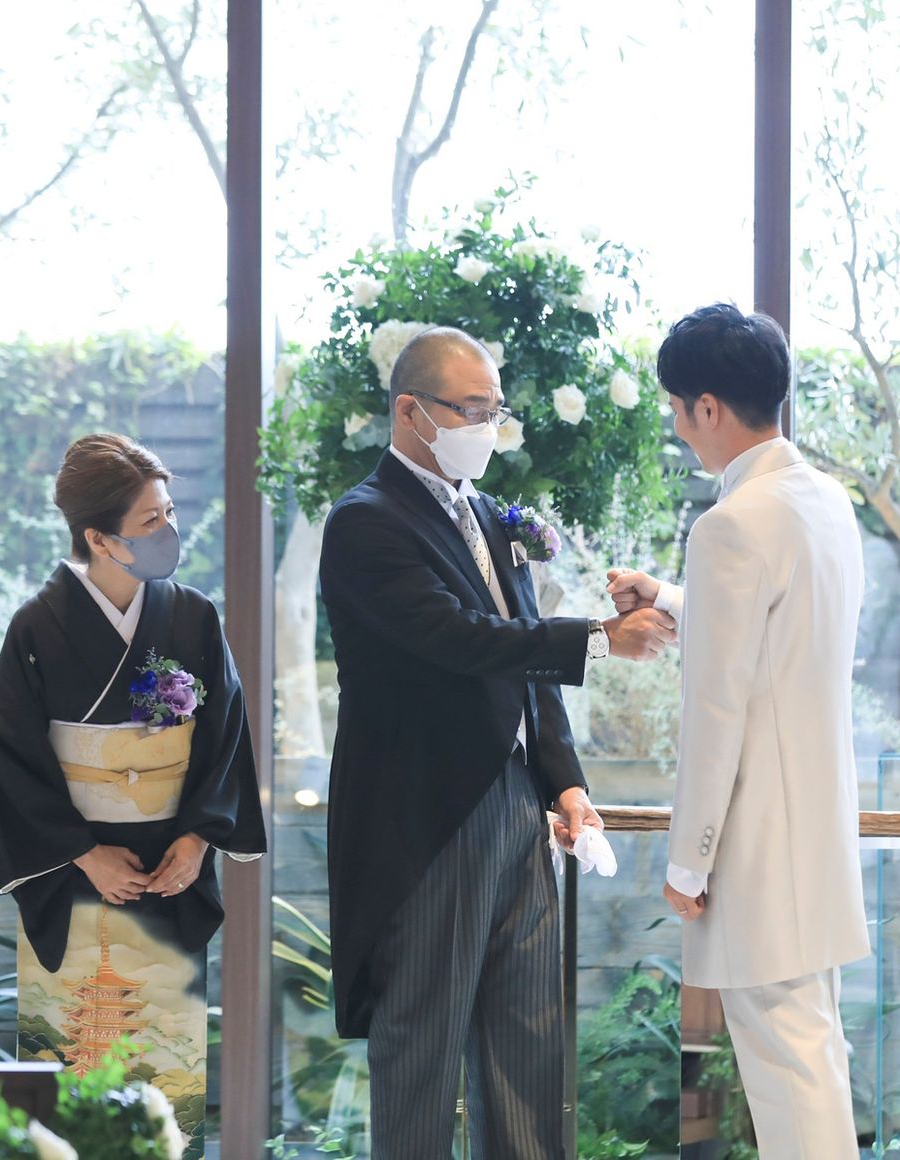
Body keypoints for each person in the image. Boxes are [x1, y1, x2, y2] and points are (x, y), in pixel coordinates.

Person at [320, 326, 676, 1159]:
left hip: (518, 804)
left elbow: (524, 664)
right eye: (470, 410)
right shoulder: (365, 521)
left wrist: (564, 782)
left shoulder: (488, 515)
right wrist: (599, 637)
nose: (488, 427)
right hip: (429, 817)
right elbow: (457, 637)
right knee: (422, 1052)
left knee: (528, 1045)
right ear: (410, 412)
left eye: (494, 410)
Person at [609, 304, 870, 1158]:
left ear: (709, 406)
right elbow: (780, 638)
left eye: (678, 409)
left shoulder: (730, 525)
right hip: (817, 835)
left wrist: (688, 860)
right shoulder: (823, 501)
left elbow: (716, 709)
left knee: (791, 1076)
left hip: (759, 850)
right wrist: (672, 599)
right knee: (813, 1061)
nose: (679, 428)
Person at [0, 433, 267, 1157]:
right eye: (150, 520)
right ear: (99, 538)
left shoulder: (192, 616)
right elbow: (9, 755)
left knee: (167, 1078)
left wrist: (198, 838)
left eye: (169, 512)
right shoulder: (36, 626)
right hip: (75, 871)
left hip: (171, 867)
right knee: (73, 1069)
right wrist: (82, 853)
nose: (169, 530)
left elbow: (225, 732)